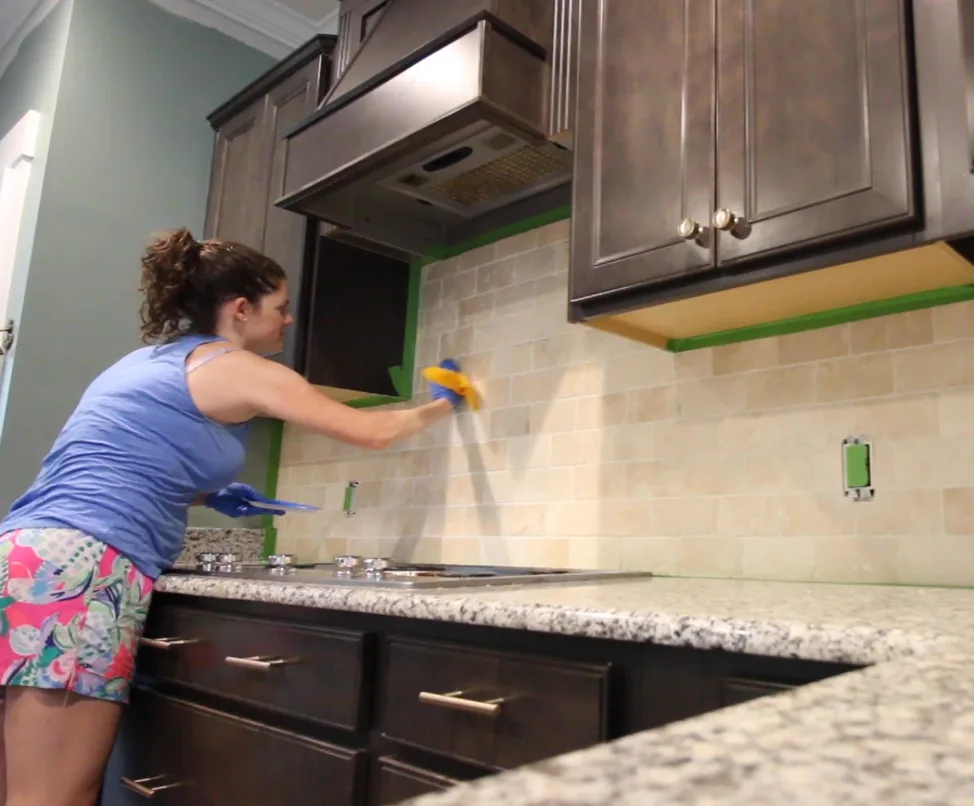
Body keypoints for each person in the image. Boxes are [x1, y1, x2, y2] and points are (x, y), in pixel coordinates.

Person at [0, 228, 463, 806]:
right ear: (241, 309)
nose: (288, 322)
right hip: (81, 570)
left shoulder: (143, 363)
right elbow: (372, 432)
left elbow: (114, 465)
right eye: (282, 308)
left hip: (26, 555)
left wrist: (203, 497)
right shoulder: (237, 366)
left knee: (19, 781)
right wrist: (447, 401)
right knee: (54, 793)